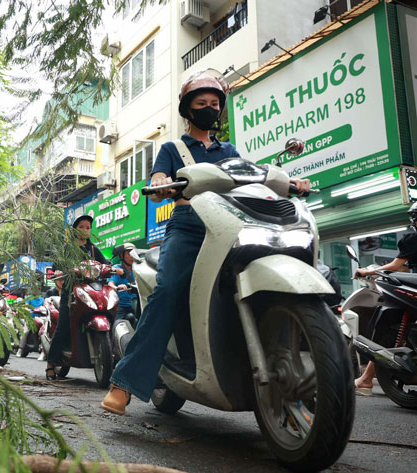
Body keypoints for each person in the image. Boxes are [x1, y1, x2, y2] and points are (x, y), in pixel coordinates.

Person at [101, 69, 311, 414]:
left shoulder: (229, 150)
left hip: (231, 226)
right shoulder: (173, 148)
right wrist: (163, 183)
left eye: (215, 104)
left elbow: (252, 176)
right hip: (188, 228)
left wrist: (290, 183)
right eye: (202, 103)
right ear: (188, 109)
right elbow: (157, 180)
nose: (210, 109)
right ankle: (123, 383)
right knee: (167, 291)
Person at [352, 202, 417, 395]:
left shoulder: (412, 238)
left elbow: (397, 266)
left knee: (385, 333)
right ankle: (365, 379)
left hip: (412, 291)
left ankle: (365, 379)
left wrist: (369, 270)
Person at [46, 215, 109, 380]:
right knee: (63, 325)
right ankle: (51, 364)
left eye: (88, 227)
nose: (85, 230)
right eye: (82, 226)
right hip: (70, 292)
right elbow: (56, 265)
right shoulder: (67, 248)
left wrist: (113, 268)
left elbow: (105, 264)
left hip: (90, 290)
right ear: (75, 229)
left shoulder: (93, 249)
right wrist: (59, 270)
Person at [108, 243, 136, 322]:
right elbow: (110, 283)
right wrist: (117, 288)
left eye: (133, 253)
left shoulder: (138, 269)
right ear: (121, 255)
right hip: (121, 307)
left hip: (136, 305)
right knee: (118, 325)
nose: (131, 256)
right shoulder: (116, 269)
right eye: (129, 253)